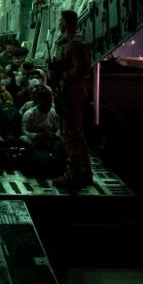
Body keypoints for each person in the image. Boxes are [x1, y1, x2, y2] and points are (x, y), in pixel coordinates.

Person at [47, 10, 93, 190]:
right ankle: (85, 172)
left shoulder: (76, 43)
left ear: (65, 21)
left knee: (71, 135)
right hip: (67, 92)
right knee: (76, 134)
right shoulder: (66, 42)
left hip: (73, 93)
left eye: (60, 19)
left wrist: (63, 74)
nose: (59, 22)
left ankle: (74, 175)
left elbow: (82, 68)